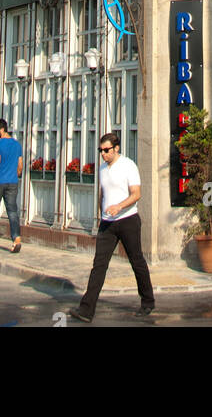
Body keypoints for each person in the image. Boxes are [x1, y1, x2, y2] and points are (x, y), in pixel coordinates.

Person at [70, 131, 154, 322]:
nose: (103, 154)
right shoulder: (102, 169)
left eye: (106, 150)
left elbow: (136, 194)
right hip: (107, 223)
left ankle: (148, 301)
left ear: (116, 149)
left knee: (136, 261)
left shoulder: (128, 166)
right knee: (99, 265)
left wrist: (119, 206)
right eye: (101, 150)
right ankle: (86, 310)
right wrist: (101, 214)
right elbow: (103, 193)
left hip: (128, 220)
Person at [0, 119, 23, 254]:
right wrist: (15, 175)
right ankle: (16, 239)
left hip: (0, 182)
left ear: (2, 130)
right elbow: (20, 166)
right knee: (12, 212)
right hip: (13, 182)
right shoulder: (17, 145)